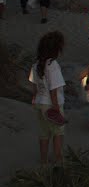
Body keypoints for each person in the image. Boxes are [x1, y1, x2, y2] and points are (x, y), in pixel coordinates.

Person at [30, 31, 66, 167]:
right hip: (51, 104)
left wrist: (35, 98)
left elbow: (33, 85)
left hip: (40, 103)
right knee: (58, 133)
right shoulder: (52, 65)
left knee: (44, 133)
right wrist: (56, 106)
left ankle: (43, 160)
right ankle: (58, 159)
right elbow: (53, 88)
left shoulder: (37, 64)